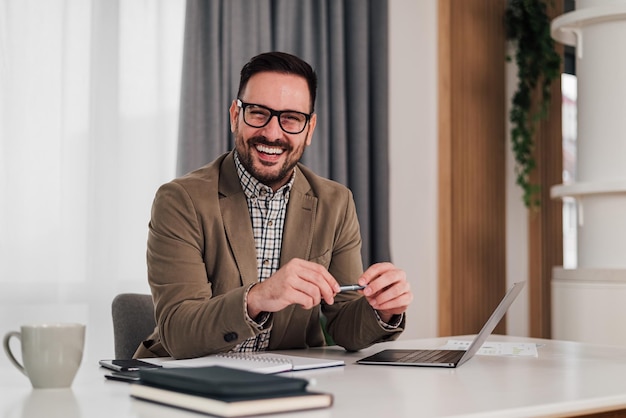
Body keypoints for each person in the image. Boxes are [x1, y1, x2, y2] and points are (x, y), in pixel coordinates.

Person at [134, 51, 413, 359]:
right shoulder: (180, 200)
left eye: (291, 119)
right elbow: (179, 332)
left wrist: (382, 309)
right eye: (257, 113)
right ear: (234, 116)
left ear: (309, 129)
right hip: (188, 382)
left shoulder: (336, 203)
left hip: (289, 382)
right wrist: (258, 297)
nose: (272, 132)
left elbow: (344, 324)